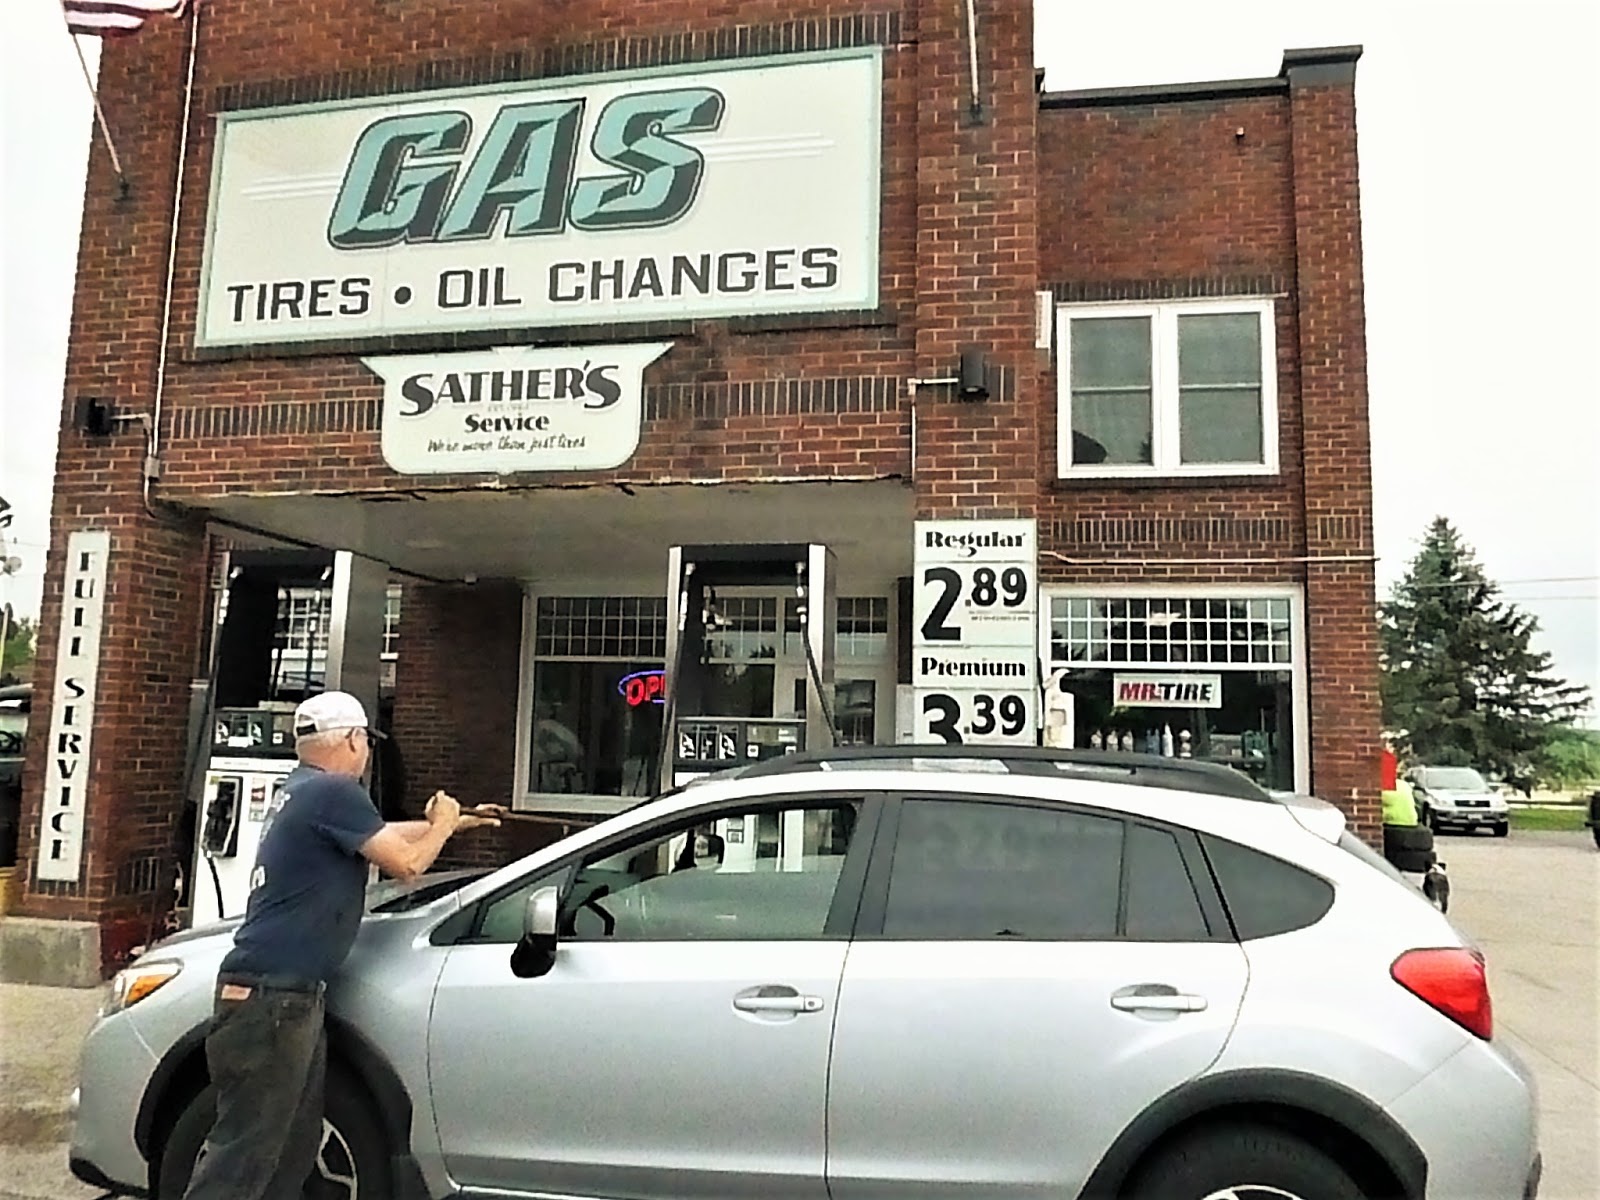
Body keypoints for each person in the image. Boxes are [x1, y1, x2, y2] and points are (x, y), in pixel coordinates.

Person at [182, 690, 500, 1200]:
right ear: (352, 740)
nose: (368, 752)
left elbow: (378, 835)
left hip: (279, 998)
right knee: (244, 1156)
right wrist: (441, 824)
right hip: (273, 1003)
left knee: (291, 1149)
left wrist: (454, 824)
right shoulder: (335, 792)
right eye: (366, 741)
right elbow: (408, 865)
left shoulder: (303, 790)